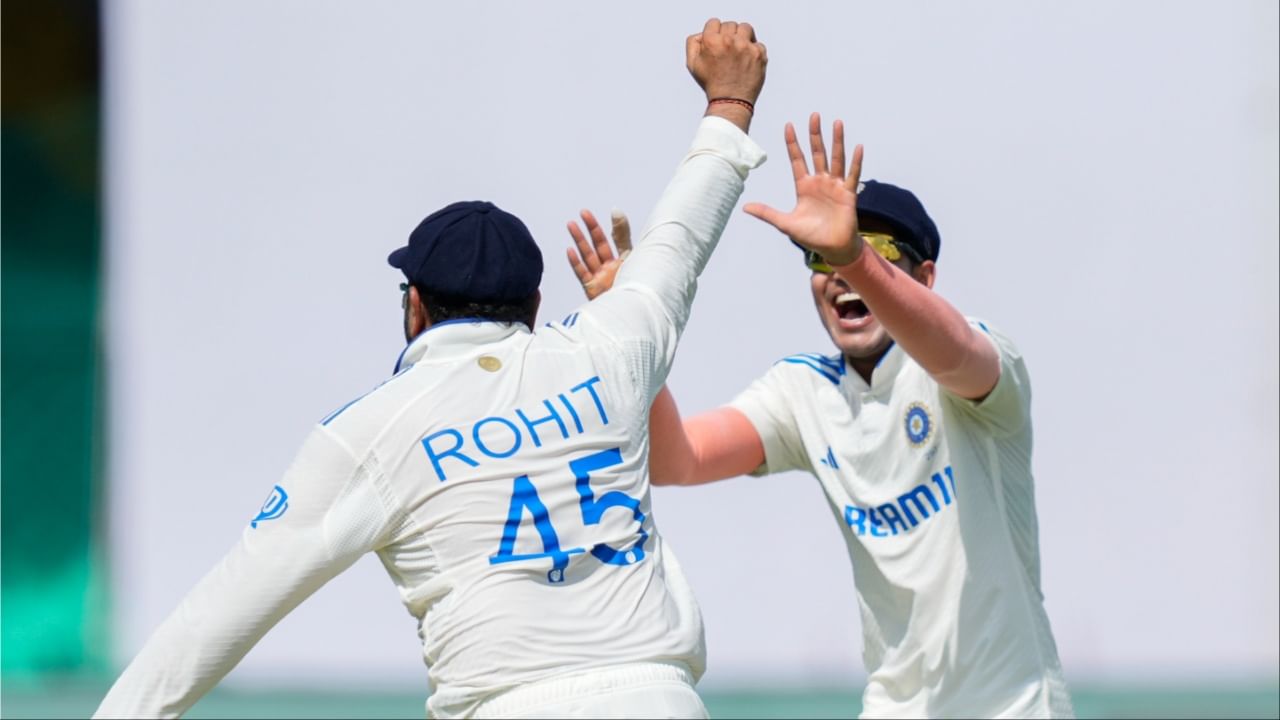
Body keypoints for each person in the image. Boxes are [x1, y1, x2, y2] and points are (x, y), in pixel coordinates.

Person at [94, 18, 767, 720]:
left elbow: (217, 615)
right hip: (660, 699)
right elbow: (681, 238)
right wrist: (730, 103)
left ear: (415, 306)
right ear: (534, 303)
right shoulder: (611, 346)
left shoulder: (369, 431)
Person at [566, 115, 1075, 718]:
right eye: (818, 257)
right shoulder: (804, 392)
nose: (836, 276)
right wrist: (629, 332)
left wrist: (855, 256)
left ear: (926, 276)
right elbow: (680, 459)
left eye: (874, 251)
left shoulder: (976, 365)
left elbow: (958, 354)